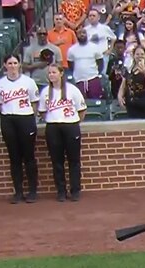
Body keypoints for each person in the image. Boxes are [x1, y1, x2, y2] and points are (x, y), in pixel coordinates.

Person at [0, 54, 41, 203]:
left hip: (25, 118)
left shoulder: (29, 82)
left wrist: (28, 114)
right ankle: (18, 191)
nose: (12, 66)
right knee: (14, 158)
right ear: (5, 65)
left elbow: (34, 102)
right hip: (8, 119)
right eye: (9, 63)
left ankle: (32, 191)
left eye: (15, 63)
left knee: (29, 156)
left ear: (19, 65)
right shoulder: (0, 84)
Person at [38, 64, 87, 202]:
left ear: (61, 73)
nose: (51, 75)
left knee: (74, 160)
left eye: (54, 72)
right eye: (49, 73)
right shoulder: (45, 92)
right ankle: (61, 191)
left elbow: (82, 110)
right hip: (53, 127)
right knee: (57, 161)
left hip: (70, 125)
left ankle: (75, 190)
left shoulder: (72, 90)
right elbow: (42, 111)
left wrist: (72, 121)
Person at [118, 44, 145, 118]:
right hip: (132, 106)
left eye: (142, 54)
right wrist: (120, 96)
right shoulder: (130, 68)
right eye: (137, 54)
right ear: (133, 55)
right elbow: (124, 84)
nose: (140, 56)